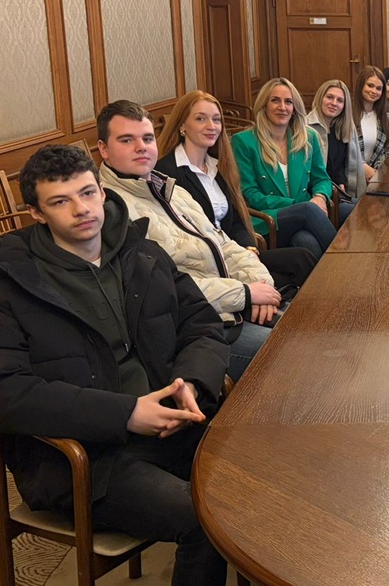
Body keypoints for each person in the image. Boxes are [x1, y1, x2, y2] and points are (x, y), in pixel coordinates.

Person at [0, 144, 232, 586]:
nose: (82, 209)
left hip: (173, 423)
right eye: (60, 201)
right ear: (36, 213)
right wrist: (125, 413)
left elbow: (203, 326)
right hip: (87, 459)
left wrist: (191, 382)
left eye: (88, 192)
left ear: (101, 189)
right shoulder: (6, 287)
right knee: (205, 522)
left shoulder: (141, 252)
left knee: (261, 471)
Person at [96, 100, 280, 382]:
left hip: (229, 306)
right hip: (194, 331)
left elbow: (223, 242)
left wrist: (260, 284)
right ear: (103, 149)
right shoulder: (112, 211)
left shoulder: (171, 189)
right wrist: (245, 293)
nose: (141, 147)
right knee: (284, 350)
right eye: (126, 140)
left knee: (304, 326)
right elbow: (165, 291)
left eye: (147, 138)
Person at [155, 90, 317, 291]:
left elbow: (236, 221)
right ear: (182, 125)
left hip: (236, 255)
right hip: (205, 266)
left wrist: (249, 249)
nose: (211, 126)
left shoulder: (219, 166)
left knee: (302, 259)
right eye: (200, 119)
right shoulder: (167, 172)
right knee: (289, 276)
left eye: (216, 120)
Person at [231, 79, 337, 260]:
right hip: (268, 218)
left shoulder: (308, 137)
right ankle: (344, 264)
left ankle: (333, 274)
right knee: (307, 213)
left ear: (294, 108)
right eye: (275, 100)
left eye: (288, 102)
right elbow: (250, 194)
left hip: (307, 215)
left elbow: (322, 179)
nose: (282, 107)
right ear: (264, 105)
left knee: (306, 242)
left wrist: (320, 197)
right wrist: (298, 205)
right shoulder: (244, 141)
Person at [305, 79, 365, 223]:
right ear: (320, 98)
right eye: (329, 97)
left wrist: (341, 182)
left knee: (371, 207)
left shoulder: (345, 128)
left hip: (339, 193)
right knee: (361, 213)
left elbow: (341, 165)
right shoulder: (306, 128)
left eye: (340, 100)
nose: (334, 103)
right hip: (315, 195)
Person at [355, 66, 389, 173]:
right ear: (360, 85)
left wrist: (374, 173)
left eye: (379, 88)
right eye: (370, 86)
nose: (374, 91)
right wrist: (364, 169)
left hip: (376, 176)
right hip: (351, 175)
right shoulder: (347, 115)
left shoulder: (388, 119)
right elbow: (346, 150)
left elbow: (386, 151)